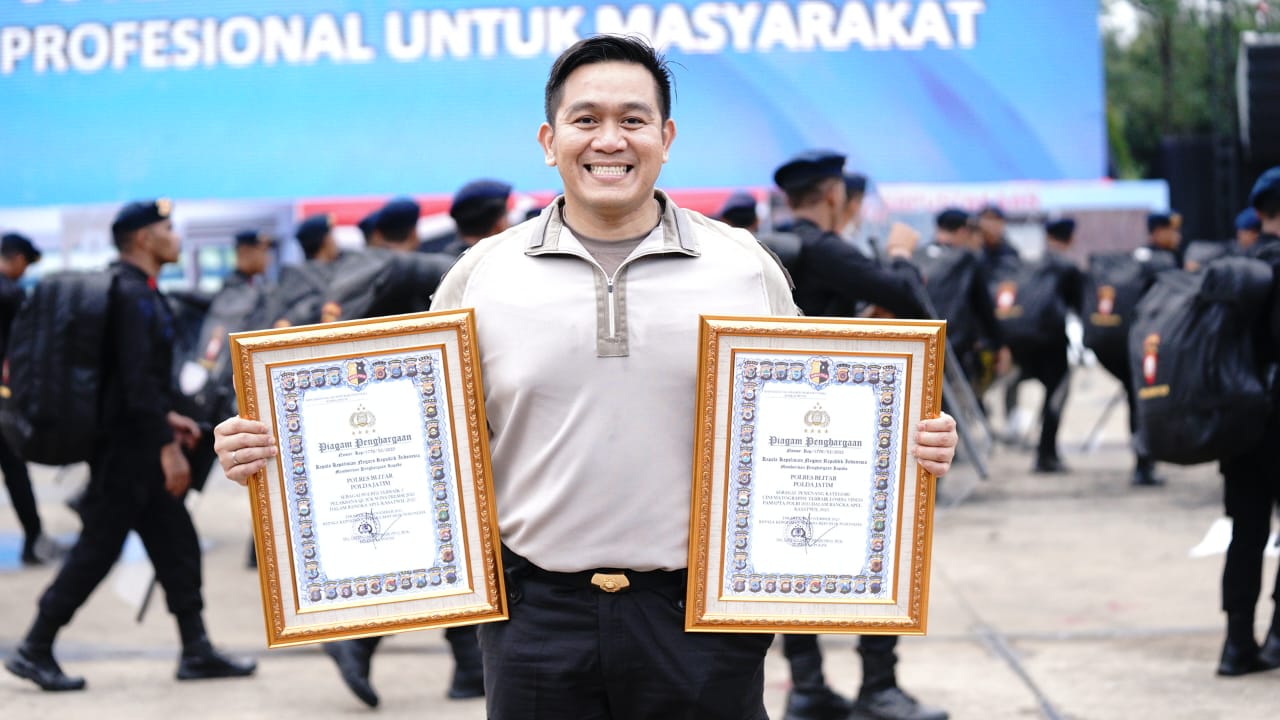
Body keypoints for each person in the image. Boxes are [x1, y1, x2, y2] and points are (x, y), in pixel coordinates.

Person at [215, 35, 958, 720]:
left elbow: (813, 425)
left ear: (666, 139)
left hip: (700, 624)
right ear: (550, 141)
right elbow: (415, 432)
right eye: (586, 119)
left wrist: (903, 449)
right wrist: (277, 446)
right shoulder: (481, 275)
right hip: (536, 623)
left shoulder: (742, 266)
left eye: (634, 119)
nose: (610, 140)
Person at [5, 200, 256, 692]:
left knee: (176, 544)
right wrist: (166, 445)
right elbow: (138, 385)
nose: (174, 235)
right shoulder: (132, 296)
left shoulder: (134, 291)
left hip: (134, 441)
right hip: (131, 453)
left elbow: (126, 383)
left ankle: (196, 648)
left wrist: (170, 418)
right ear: (143, 238)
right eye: (166, 227)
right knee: (97, 550)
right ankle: (35, 646)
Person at [774, 150, 947, 720]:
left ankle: (807, 686)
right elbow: (908, 300)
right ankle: (879, 686)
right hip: (846, 426)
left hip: (784, 425)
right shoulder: (823, 247)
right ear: (831, 194)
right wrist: (900, 254)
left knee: (789, 554)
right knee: (880, 544)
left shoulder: (772, 246)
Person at [1216, 166, 1280, 676]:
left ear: (1258, 214)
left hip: (1239, 426)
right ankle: (1278, 638)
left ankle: (1236, 644)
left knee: (1247, 532)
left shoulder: (1234, 270)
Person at [999, 219, 1085, 473]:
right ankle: (1046, 453)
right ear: (1070, 239)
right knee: (1057, 393)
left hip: (1017, 339)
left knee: (1013, 382)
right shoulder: (1068, 267)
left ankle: (1013, 427)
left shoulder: (1026, 264)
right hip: (1050, 341)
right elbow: (1077, 307)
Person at [0, 232, 65, 565]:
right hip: (3, 403)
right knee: (15, 470)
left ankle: (34, 538)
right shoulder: (10, 294)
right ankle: (33, 540)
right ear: (17, 259)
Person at [916, 208, 1009, 393]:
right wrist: (1000, 345)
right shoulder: (966, 259)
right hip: (953, 350)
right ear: (963, 231)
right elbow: (984, 308)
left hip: (916, 346)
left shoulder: (915, 255)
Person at [274, 214, 341, 327]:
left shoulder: (338, 267)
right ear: (325, 240)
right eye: (331, 236)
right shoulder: (297, 275)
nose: (335, 241)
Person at [443, 179, 514, 256]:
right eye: (507, 216)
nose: (511, 224)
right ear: (499, 223)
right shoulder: (508, 264)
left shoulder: (446, 263)